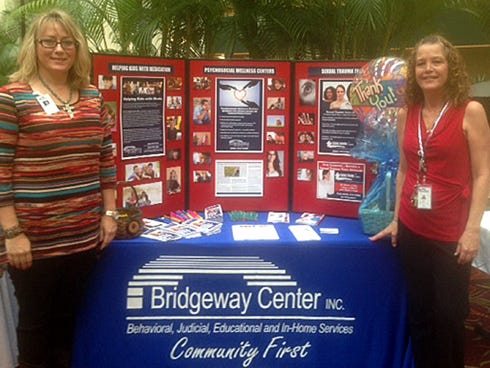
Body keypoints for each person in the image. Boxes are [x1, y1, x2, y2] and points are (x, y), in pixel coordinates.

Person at [0, 9, 118, 368]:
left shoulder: (92, 97)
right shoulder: (11, 98)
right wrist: (13, 232)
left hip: (83, 238)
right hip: (33, 243)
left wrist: (110, 214)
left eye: (67, 41)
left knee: (68, 329)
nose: (58, 49)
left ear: (77, 48)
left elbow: (106, 160)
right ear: (34, 47)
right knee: (36, 331)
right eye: (48, 41)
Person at [371, 35, 490, 368]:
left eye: (436, 61)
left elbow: (483, 175)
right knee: (421, 313)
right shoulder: (406, 114)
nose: (428, 68)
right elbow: (406, 170)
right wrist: (397, 219)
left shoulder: (471, 111)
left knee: (450, 316)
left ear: (450, 66)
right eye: (421, 63)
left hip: (451, 233)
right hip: (412, 227)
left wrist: (470, 231)